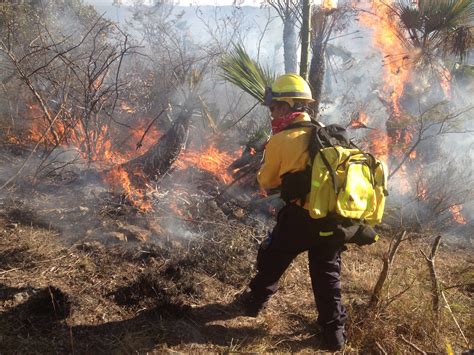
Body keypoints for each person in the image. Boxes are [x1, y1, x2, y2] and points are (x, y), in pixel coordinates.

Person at [240, 73, 347, 351]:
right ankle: (334, 337)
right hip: (332, 218)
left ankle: (253, 304)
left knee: (272, 257)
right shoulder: (322, 130)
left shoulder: (281, 140)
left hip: (301, 218)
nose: (272, 112)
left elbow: (267, 182)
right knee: (328, 277)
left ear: (287, 106)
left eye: (274, 107)